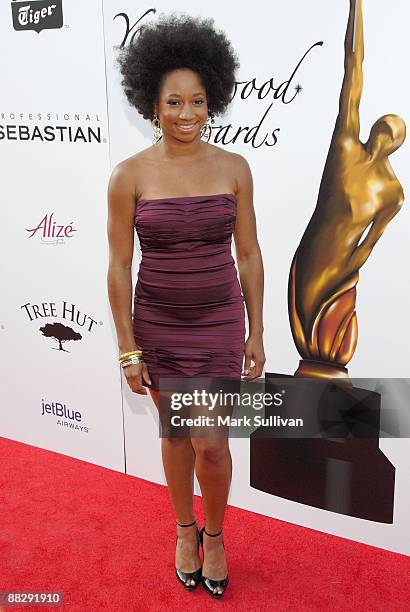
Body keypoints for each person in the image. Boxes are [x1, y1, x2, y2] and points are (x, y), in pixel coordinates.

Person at [107, 13, 265, 599]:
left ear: (213, 101)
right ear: (153, 104)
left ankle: (216, 535)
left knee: (212, 443)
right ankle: (183, 529)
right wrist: (128, 346)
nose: (187, 114)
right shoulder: (128, 176)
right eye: (174, 102)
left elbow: (248, 254)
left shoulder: (233, 168)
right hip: (159, 324)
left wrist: (256, 331)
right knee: (175, 436)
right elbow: (119, 268)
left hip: (220, 320)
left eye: (198, 101)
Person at [288, 0, 406, 379]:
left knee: (327, 346)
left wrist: (344, 275)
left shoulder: (392, 192)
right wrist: (357, 7)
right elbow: (353, 69)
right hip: (312, 255)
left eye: (393, 131)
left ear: (397, 143)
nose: (383, 130)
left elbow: (370, 243)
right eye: (382, 124)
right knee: (306, 333)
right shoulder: (345, 147)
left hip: (343, 270)